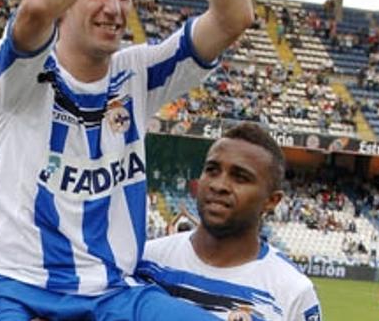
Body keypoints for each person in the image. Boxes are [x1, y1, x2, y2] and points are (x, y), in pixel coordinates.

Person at [0, 0, 253, 318]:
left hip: (114, 294)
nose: (113, 6)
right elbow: (37, 8)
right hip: (21, 291)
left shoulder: (138, 74)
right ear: (70, 0)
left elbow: (234, 18)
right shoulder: (24, 75)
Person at [138, 122, 322, 320]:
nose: (219, 185)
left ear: (271, 201)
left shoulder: (292, 292)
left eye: (240, 177)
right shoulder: (146, 261)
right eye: (212, 170)